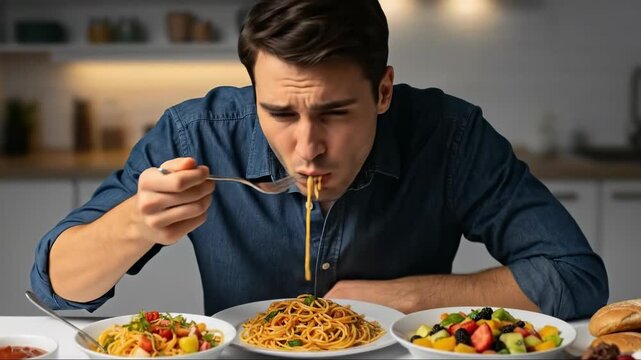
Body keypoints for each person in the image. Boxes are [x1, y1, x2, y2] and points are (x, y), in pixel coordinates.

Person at [31, 0, 607, 320]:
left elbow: (575, 276)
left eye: (334, 113)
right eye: (280, 113)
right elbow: (58, 287)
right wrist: (136, 221)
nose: (308, 148)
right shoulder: (197, 132)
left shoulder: (450, 136)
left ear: (383, 92)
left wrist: (411, 297)